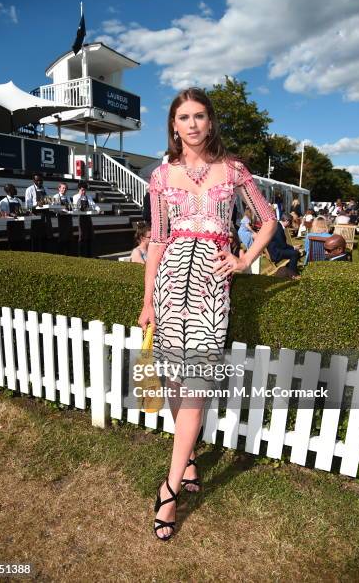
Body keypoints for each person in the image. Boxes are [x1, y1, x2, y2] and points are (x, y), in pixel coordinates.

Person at [137, 87, 277, 541]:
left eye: (200, 116)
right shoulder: (160, 177)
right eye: (184, 117)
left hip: (211, 290)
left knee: (195, 388)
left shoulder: (233, 169)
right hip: (170, 286)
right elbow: (158, 240)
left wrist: (243, 259)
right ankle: (191, 458)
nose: (193, 124)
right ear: (173, 126)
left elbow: (268, 218)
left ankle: (169, 490)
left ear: (210, 122)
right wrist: (146, 301)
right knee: (175, 383)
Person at [72, 181, 100, 258]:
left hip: (88, 218)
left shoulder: (88, 197)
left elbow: (93, 205)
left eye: (84, 190)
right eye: (82, 190)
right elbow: (75, 207)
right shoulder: (75, 197)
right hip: (81, 218)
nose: (83, 192)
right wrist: (80, 196)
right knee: (82, 236)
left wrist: (98, 209)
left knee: (90, 236)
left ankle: (90, 254)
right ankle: (81, 254)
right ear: (79, 189)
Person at [25, 173, 52, 252]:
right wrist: (36, 204)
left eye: (41, 180)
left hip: (46, 214)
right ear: (33, 180)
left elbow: (50, 200)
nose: (39, 182)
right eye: (37, 180)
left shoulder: (46, 189)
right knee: (36, 236)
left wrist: (49, 202)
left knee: (46, 235)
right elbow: (28, 205)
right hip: (36, 215)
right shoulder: (29, 189)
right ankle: (36, 253)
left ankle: (46, 252)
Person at [0, 184, 25, 251]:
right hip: (12, 225)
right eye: (14, 188)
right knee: (12, 244)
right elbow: (3, 214)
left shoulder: (19, 200)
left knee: (22, 244)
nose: (16, 190)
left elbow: (22, 211)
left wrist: (26, 213)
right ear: (9, 191)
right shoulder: (3, 202)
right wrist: (11, 214)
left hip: (20, 224)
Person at [53, 183, 74, 256]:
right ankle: (60, 254)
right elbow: (54, 208)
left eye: (65, 188)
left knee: (69, 236)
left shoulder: (67, 197)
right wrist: (60, 211)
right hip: (61, 218)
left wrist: (71, 210)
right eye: (63, 188)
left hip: (68, 217)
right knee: (62, 237)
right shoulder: (56, 196)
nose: (64, 190)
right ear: (59, 188)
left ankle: (68, 254)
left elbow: (71, 207)